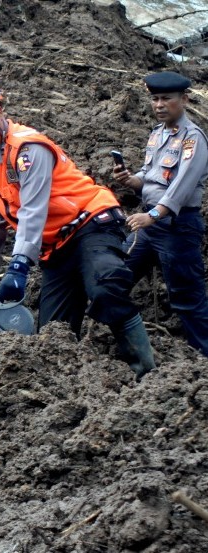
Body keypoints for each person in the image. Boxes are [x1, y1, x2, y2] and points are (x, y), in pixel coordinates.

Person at [0, 75, 156, 380]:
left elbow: (32, 210)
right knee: (54, 336)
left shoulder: (28, 149)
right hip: (56, 247)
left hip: (91, 224)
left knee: (106, 288)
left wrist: (18, 266)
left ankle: (147, 373)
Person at [113, 71, 208, 357]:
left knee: (186, 298)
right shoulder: (158, 134)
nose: (159, 104)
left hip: (177, 228)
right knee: (117, 275)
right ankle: (121, 341)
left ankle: (203, 358)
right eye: (155, 99)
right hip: (150, 227)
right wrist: (130, 180)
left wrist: (151, 216)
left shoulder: (194, 140)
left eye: (166, 98)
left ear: (184, 100)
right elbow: (151, 175)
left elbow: (180, 189)